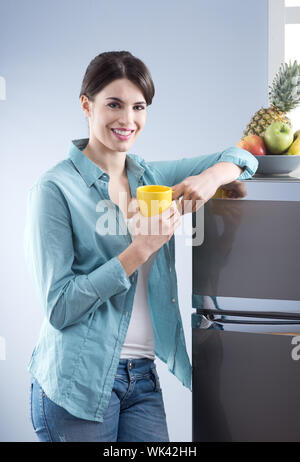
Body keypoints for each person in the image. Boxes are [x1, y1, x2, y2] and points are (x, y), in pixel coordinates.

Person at [24, 50, 258, 442]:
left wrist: (211, 177)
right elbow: (59, 307)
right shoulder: (55, 189)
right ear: (86, 104)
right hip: (77, 383)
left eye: (139, 107)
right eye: (114, 104)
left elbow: (241, 156)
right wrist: (139, 250)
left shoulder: (151, 178)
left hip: (142, 380)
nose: (127, 120)